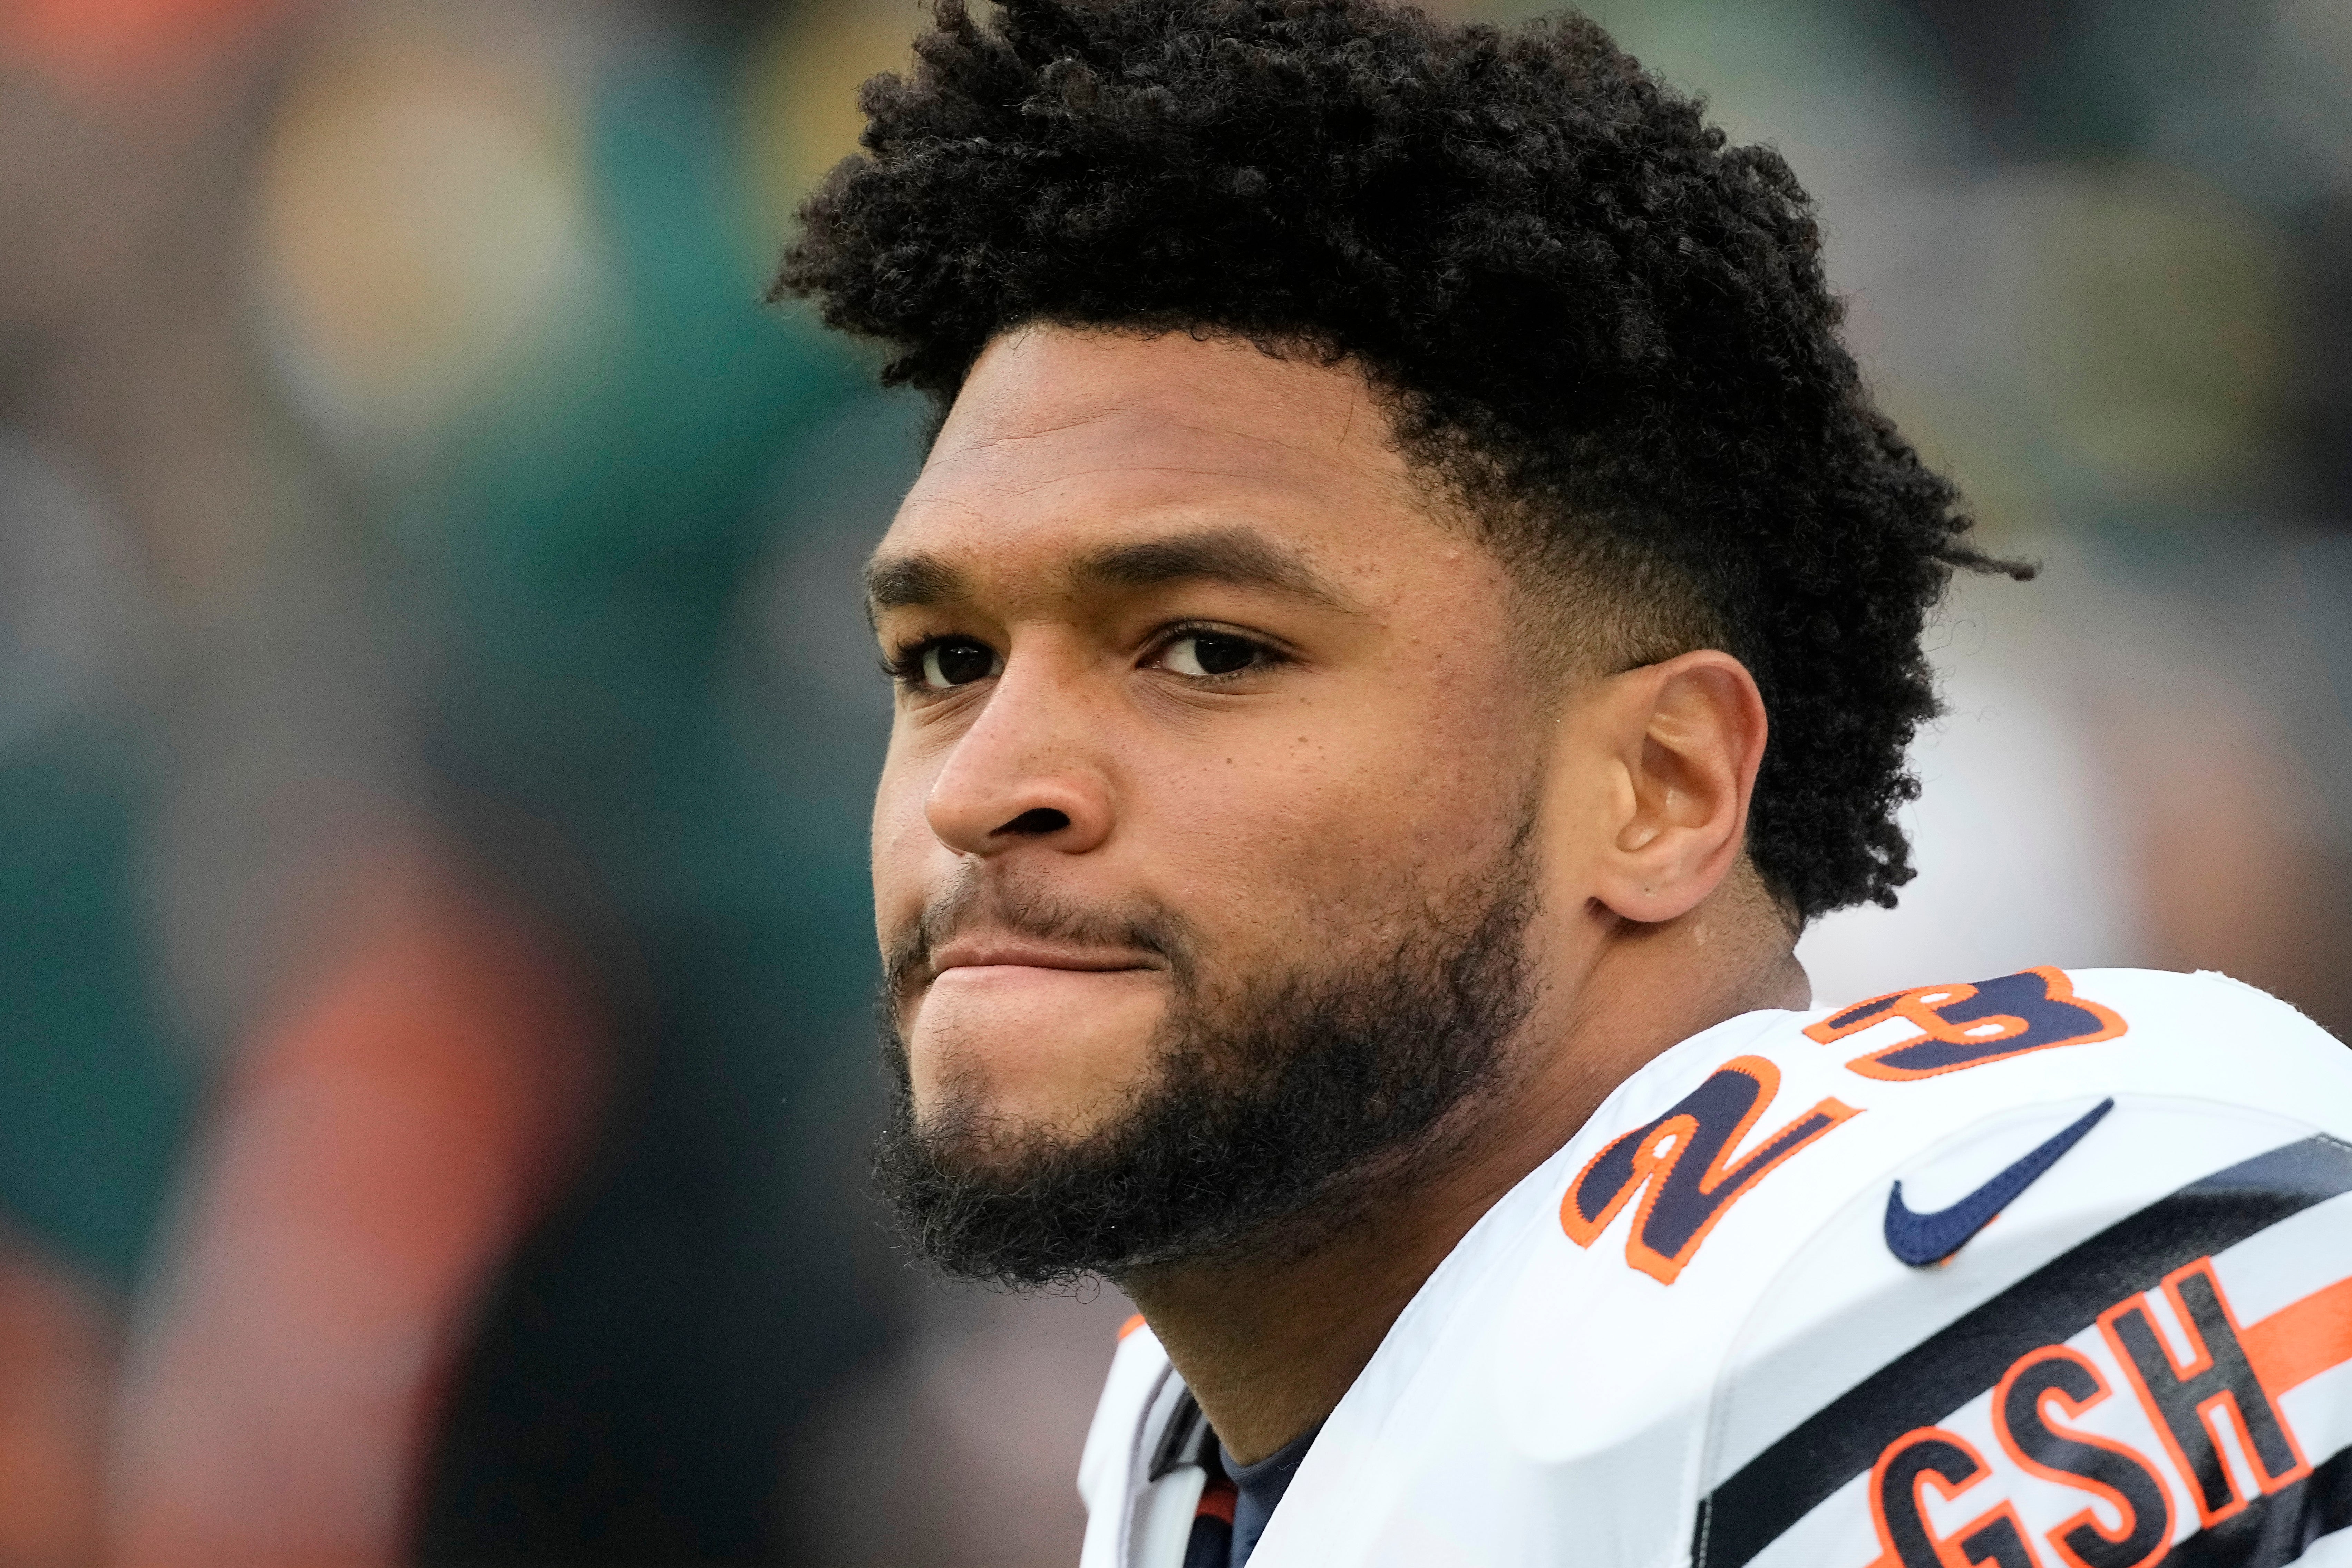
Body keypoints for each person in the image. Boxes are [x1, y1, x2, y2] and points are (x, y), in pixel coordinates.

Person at [772, 0, 2352, 1563]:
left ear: (1659, 786)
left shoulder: (1957, 1285)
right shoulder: (1206, 1430)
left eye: (1206, 650)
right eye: (945, 662)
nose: (985, 784)